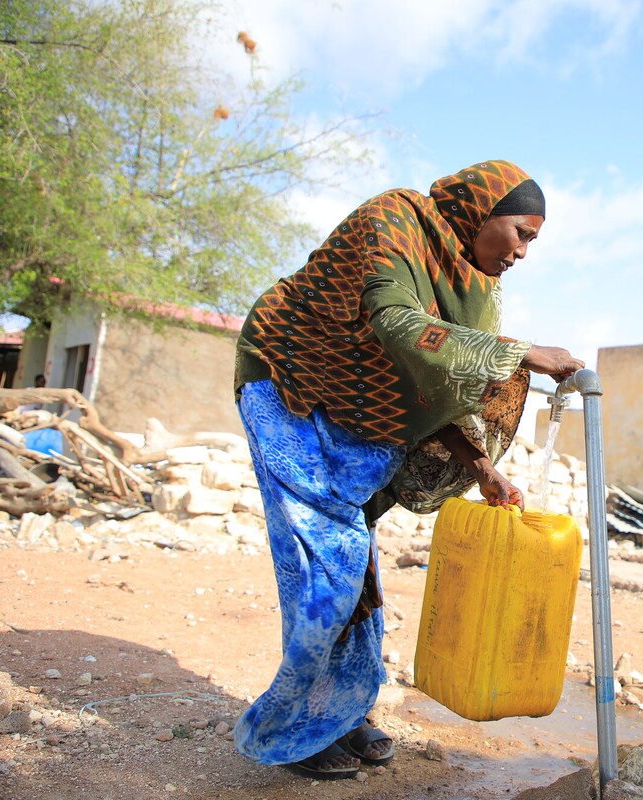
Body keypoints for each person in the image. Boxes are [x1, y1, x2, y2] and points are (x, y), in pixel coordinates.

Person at [232, 160, 585, 779]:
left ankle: (341, 712)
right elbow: (399, 326)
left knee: (356, 565)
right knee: (329, 565)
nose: (525, 252)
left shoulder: (474, 289)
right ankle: (289, 731)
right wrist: (524, 351)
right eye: (522, 234)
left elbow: (437, 380)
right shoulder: (395, 220)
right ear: (481, 212)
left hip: (362, 410)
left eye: (535, 241)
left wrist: (480, 467)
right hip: (289, 383)